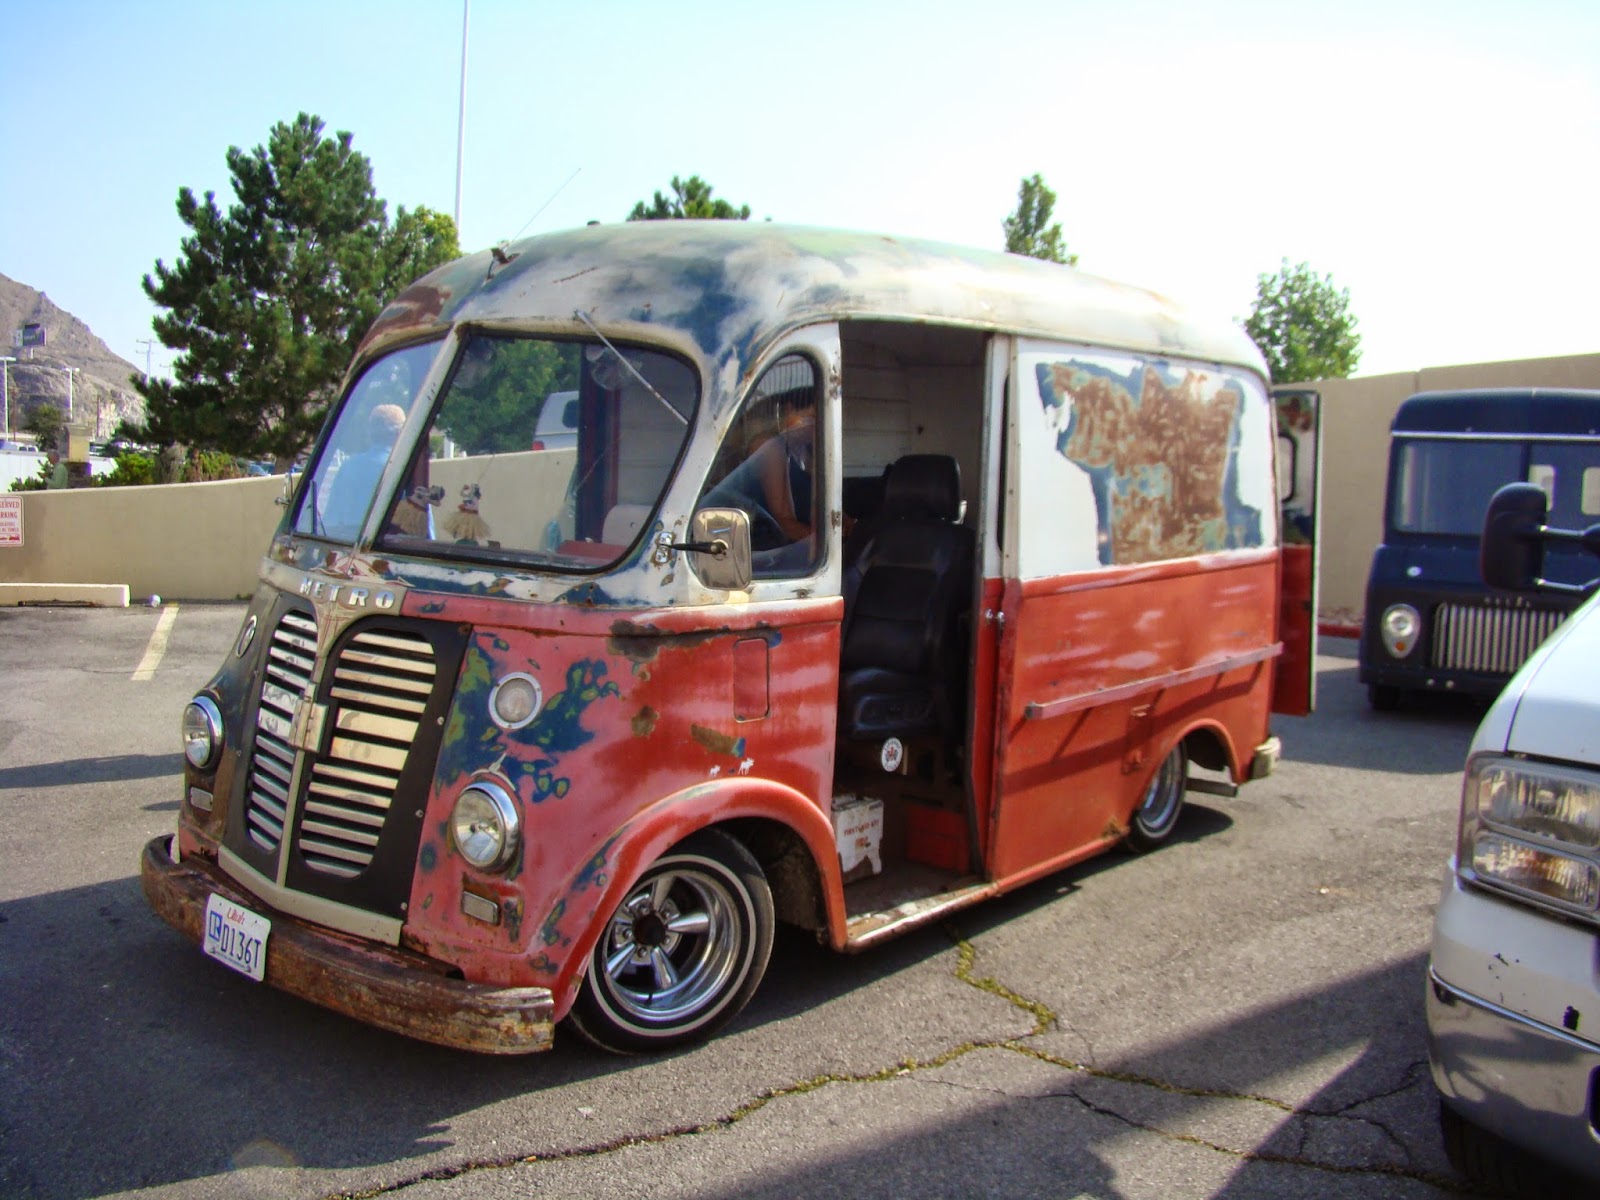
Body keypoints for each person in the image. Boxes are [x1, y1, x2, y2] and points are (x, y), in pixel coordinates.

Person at [704, 386, 817, 559]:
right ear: (788, 410)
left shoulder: (802, 450)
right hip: (773, 549)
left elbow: (816, 497)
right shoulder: (771, 447)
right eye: (811, 418)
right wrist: (826, 542)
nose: (814, 428)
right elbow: (784, 521)